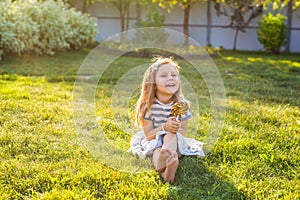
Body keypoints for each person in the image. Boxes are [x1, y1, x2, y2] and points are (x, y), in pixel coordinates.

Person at [130, 56, 205, 183]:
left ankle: (166, 155)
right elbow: (148, 135)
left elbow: (182, 133)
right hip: (154, 141)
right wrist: (164, 127)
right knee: (157, 150)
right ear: (153, 85)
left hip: (175, 143)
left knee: (170, 135)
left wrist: (174, 128)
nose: (170, 78)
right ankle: (166, 173)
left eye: (174, 75)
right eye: (164, 75)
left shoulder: (182, 105)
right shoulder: (148, 106)